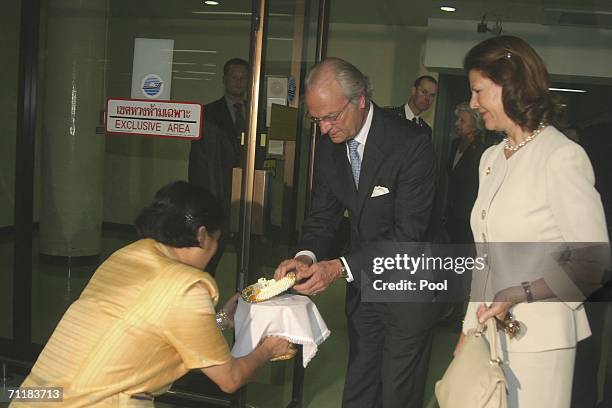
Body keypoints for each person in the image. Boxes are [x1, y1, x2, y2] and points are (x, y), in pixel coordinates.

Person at [10, 181, 294, 407]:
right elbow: (229, 379)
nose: (214, 250)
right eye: (217, 241)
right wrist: (268, 349)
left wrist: (220, 320)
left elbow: (147, 328)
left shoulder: (129, 255)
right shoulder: (188, 286)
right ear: (202, 235)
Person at [274, 57, 440, 408]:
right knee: (359, 391)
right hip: (363, 291)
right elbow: (323, 215)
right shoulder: (330, 144)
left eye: (331, 117)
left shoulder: (411, 144)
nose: (323, 129)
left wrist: (338, 267)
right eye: (316, 119)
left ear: (360, 99)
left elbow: (408, 236)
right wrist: (305, 258)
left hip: (407, 291)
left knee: (397, 395)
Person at [454, 35, 609, 408]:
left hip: (540, 340)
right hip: (488, 333)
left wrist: (519, 292)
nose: (473, 104)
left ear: (510, 85)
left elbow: (594, 262)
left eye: (479, 91)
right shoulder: (490, 158)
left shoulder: (561, 156)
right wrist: (467, 330)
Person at [188, 57, 250, 273]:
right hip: (217, 195)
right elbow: (198, 163)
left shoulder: (256, 113)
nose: (238, 81)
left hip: (249, 198)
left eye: (243, 77)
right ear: (224, 80)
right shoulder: (208, 114)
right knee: (209, 260)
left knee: (249, 262)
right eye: (234, 76)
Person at [446, 102, 485, 245]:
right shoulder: (455, 144)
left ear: (475, 125)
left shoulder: (481, 151)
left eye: (463, 121)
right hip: (451, 213)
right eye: (457, 119)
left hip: (468, 215)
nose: (457, 123)